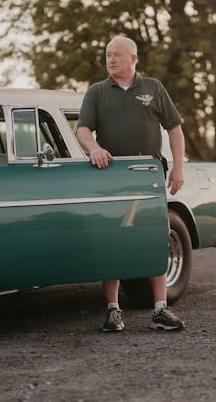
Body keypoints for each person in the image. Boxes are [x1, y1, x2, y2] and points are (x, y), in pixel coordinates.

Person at [76, 35, 186, 332]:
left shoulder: (153, 88)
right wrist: (94, 149)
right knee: (114, 240)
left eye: (117, 55)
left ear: (133, 59)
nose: (111, 60)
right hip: (112, 177)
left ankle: (161, 310)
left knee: (154, 237)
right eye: (108, 55)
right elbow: (83, 129)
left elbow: (174, 128)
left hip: (147, 176)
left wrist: (178, 166)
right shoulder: (96, 92)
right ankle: (113, 311)